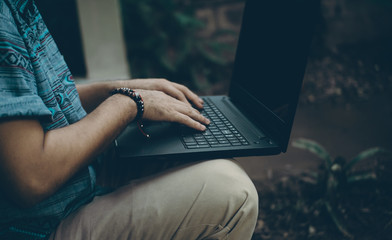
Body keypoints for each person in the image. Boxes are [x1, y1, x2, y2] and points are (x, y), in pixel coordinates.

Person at [0, 0, 259, 239]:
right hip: (40, 227)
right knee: (231, 191)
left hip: (81, 177)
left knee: (202, 153)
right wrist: (126, 103)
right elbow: (32, 178)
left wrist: (120, 88)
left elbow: (32, 104)